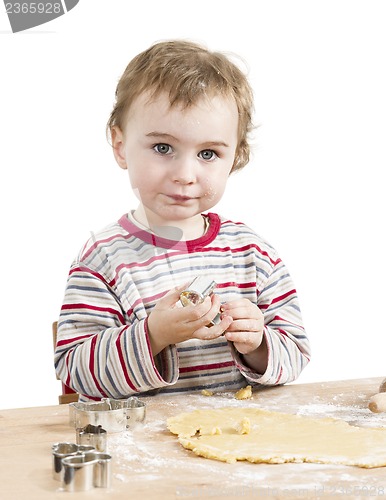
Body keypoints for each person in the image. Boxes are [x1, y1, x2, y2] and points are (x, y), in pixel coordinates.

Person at [55, 40, 311, 401]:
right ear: (120, 144)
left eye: (208, 153)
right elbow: (74, 369)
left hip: (233, 444)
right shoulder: (102, 260)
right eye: (163, 148)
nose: (185, 174)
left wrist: (258, 342)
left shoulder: (253, 254)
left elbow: (295, 352)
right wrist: (153, 335)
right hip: (139, 447)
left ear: (234, 158)